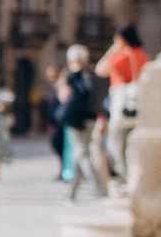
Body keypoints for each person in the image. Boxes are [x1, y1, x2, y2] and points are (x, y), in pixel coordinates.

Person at [96, 24, 149, 194]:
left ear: (122, 39)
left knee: (115, 143)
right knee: (133, 143)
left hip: (121, 106)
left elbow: (100, 70)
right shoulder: (143, 56)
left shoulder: (122, 56)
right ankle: (135, 175)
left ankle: (124, 176)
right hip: (138, 106)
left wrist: (113, 49)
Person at [59, 43, 109, 201]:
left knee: (82, 154)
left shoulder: (71, 76)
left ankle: (98, 189)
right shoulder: (92, 75)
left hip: (75, 120)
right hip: (91, 118)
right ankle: (71, 194)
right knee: (79, 154)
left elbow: (63, 97)